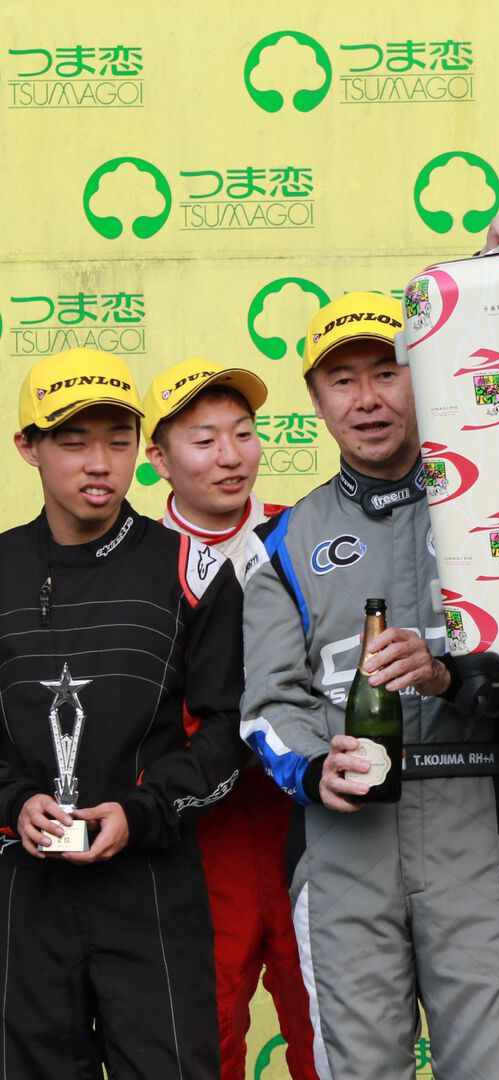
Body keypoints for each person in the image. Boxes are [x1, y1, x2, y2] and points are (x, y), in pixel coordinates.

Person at [240, 293, 499, 1080]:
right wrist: (315, 767)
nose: (367, 398)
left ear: (425, 375)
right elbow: (268, 707)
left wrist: (447, 676)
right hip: (340, 845)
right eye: (342, 381)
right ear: (316, 402)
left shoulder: (495, 510)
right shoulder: (282, 544)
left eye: (387, 372)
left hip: (472, 826)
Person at [1, 347, 247, 1077]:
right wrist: (14, 802)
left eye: (117, 440)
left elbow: (230, 732)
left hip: (151, 885)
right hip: (21, 890)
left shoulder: (194, 569)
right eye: (73, 442)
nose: (99, 463)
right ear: (28, 448)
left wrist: (141, 813)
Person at [142, 358, 319, 1080]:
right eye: (204, 439)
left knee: (324, 1019)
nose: (230, 456)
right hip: (197, 829)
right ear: (159, 460)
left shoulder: (303, 532)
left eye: (243, 433)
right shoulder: (138, 562)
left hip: (309, 815)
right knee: (205, 1028)